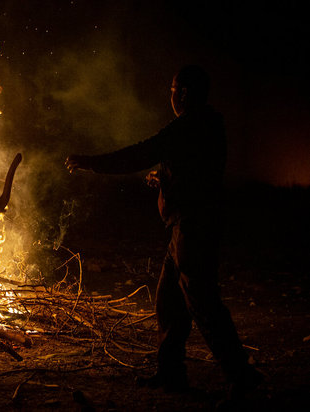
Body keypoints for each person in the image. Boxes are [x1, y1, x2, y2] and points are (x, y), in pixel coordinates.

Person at [66, 65, 262, 403]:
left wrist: (90, 162)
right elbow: (197, 171)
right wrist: (165, 178)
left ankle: (241, 376)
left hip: (193, 228)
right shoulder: (209, 124)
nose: (169, 95)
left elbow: (139, 154)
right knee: (169, 302)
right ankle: (171, 374)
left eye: (172, 89)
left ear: (183, 93)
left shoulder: (188, 126)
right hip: (188, 227)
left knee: (202, 302)